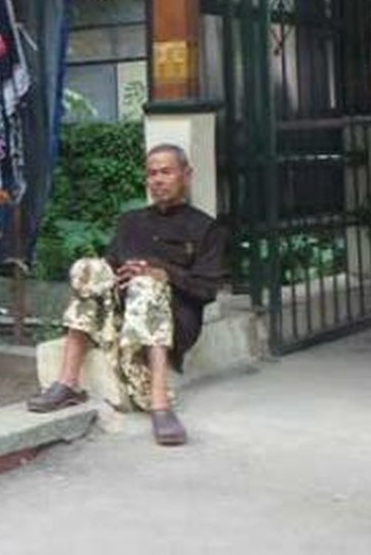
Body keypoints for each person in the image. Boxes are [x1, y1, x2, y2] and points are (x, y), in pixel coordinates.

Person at [27, 144, 226, 446]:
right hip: (121, 313)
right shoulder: (130, 221)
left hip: (174, 321)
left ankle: (160, 405)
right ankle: (67, 384)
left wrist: (163, 274)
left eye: (166, 172)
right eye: (152, 173)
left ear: (186, 175)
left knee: (146, 284)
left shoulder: (205, 228)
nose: (157, 180)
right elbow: (110, 266)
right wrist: (117, 274)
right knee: (89, 269)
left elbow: (207, 289)